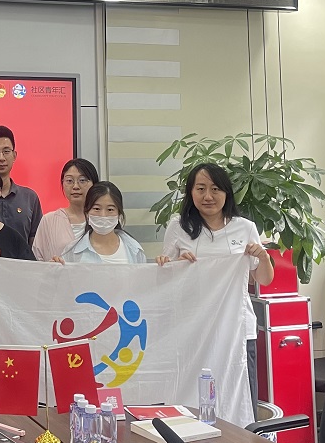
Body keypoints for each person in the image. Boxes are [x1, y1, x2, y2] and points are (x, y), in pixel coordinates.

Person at [156, 162, 274, 415]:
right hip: (191, 327)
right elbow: (165, 280)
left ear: (226, 193)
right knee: (190, 397)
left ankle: (240, 440)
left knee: (238, 396)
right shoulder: (178, 226)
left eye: (215, 189)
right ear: (190, 193)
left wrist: (263, 257)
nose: (208, 196)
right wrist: (175, 264)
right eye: (200, 188)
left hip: (236, 328)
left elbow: (263, 279)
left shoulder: (245, 227)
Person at [61, 182, 145, 263]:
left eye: (110, 209)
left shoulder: (134, 250)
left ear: (119, 214)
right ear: (87, 213)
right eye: (97, 209)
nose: (103, 215)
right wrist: (55, 266)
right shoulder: (72, 251)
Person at [33, 158, 100, 261]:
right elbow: (37, 260)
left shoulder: (102, 219)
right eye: (69, 181)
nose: (75, 186)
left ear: (94, 184)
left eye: (82, 180)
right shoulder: (49, 220)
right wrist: (50, 266)